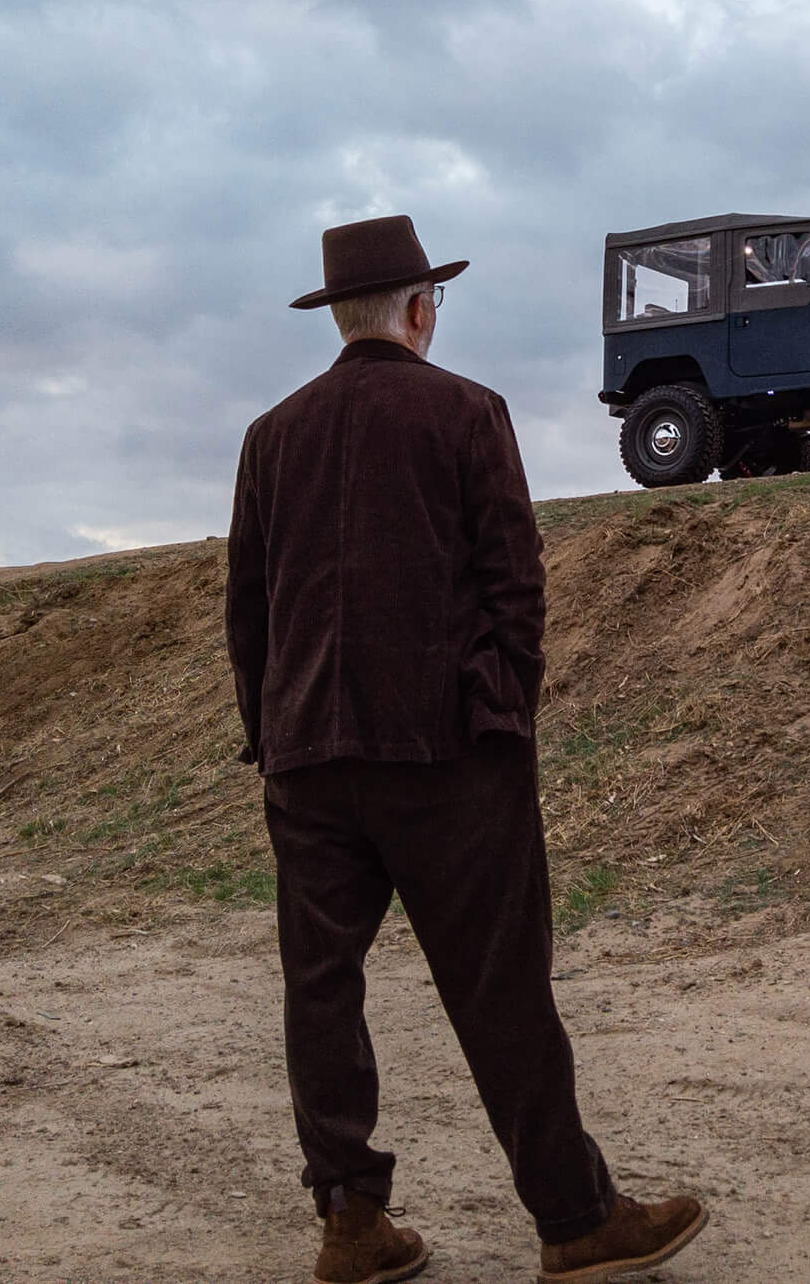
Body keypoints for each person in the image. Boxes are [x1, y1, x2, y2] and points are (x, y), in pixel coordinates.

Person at [225, 215, 707, 1284]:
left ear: (341, 317)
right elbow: (513, 586)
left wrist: (273, 732)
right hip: (446, 752)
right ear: (419, 308)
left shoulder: (270, 435)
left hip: (307, 758)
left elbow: (247, 609)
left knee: (320, 988)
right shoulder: (467, 410)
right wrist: (501, 715)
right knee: (501, 987)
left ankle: (350, 1222)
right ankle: (575, 1219)